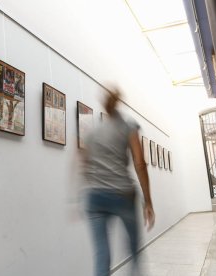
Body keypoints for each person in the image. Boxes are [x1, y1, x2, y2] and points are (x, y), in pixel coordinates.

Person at [80, 88, 155, 276]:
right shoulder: (128, 124)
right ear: (118, 102)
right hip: (122, 195)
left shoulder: (93, 130)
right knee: (133, 248)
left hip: (95, 197)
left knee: (102, 254)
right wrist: (148, 201)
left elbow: (85, 166)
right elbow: (140, 163)